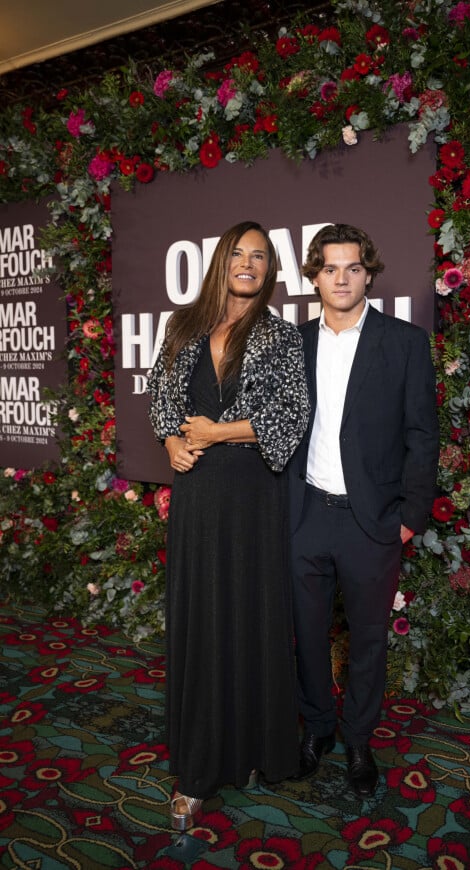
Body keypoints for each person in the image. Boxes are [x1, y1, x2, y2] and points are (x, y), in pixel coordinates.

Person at [147, 221, 309, 829]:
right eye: (238, 254)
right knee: (202, 617)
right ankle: (199, 764)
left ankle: (251, 749)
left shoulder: (280, 336)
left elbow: (292, 415)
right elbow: (160, 398)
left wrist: (217, 432)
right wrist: (169, 442)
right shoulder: (182, 325)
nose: (248, 264)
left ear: (270, 271)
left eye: (259, 257)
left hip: (250, 497)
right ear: (221, 262)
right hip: (196, 496)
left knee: (247, 614)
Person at [289, 223, 439, 798]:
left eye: (353, 267)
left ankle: (357, 738)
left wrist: (409, 516)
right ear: (315, 276)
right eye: (330, 268)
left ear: (368, 272)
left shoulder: (403, 343)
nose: (342, 278)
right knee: (305, 632)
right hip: (304, 517)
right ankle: (318, 729)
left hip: (371, 520)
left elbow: (422, 436)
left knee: (369, 638)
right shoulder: (293, 344)